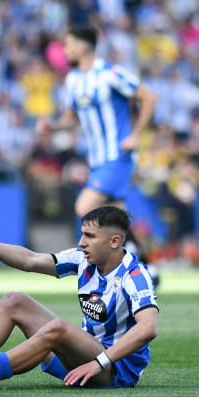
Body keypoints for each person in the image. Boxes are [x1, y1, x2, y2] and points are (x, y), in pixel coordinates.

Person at [0, 206, 158, 390]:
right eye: (82, 234)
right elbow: (30, 260)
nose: (82, 242)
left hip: (113, 371)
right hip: (80, 360)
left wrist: (99, 362)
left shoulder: (134, 275)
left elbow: (148, 328)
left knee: (58, 328)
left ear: (115, 241)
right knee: (14, 300)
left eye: (90, 237)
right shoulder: (84, 259)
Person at [38, 26, 159, 285]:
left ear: (82, 48)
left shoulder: (110, 74)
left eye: (68, 45)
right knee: (118, 216)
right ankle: (145, 266)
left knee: (84, 207)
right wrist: (54, 126)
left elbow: (149, 97)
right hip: (97, 162)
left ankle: (100, 266)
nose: (64, 51)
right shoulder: (72, 80)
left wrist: (136, 134)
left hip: (117, 155)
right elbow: (72, 117)